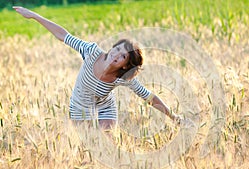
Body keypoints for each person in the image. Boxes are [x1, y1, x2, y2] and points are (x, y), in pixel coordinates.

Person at [13, 6, 182, 131]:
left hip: (105, 108)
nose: (116, 55)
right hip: (79, 106)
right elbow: (63, 35)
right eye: (117, 49)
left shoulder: (123, 77)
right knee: (84, 149)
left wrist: (173, 117)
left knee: (105, 146)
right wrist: (34, 16)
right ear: (112, 47)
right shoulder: (91, 51)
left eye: (123, 56)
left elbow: (149, 97)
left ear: (125, 65)